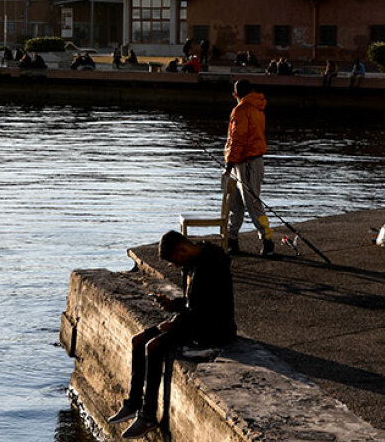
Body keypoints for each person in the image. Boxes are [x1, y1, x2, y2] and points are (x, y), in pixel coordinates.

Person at [106, 230, 237, 438]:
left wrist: (176, 325)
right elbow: (192, 303)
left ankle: (147, 416)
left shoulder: (211, 266)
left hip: (213, 328)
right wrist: (174, 305)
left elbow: (205, 311)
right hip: (195, 319)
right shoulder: (192, 262)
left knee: (154, 347)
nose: (176, 266)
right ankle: (133, 403)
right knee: (138, 340)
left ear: (182, 249)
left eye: (175, 261)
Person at [224, 79, 276, 256]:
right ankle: (232, 239)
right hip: (249, 161)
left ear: (235, 94)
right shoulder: (257, 108)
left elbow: (237, 138)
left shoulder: (241, 110)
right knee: (236, 201)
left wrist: (229, 163)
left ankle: (267, 239)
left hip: (246, 163)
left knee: (252, 203)